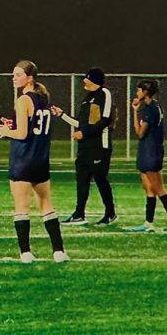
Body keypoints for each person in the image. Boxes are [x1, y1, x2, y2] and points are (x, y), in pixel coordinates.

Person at [0, 59, 69, 263]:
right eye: (13, 75)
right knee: (46, 204)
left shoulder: (23, 100)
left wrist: (5, 131)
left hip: (23, 159)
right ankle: (58, 251)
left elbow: (22, 133)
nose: (14, 78)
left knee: (21, 207)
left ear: (29, 78)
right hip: (41, 159)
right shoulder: (43, 99)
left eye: (18, 75)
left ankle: (25, 253)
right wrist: (13, 124)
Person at [52, 66, 116, 226]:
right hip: (85, 147)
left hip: (99, 146)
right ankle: (79, 214)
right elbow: (81, 124)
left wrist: (84, 133)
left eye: (86, 79)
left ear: (93, 80)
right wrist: (62, 115)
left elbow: (105, 120)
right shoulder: (87, 98)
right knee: (82, 180)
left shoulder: (104, 94)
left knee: (100, 179)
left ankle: (110, 214)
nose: (84, 82)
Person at [122, 78, 167, 234]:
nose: (136, 93)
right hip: (148, 150)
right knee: (148, 188)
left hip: (151, 152)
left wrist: (135, 113)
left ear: (145, 92)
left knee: (158, 188)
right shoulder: (152, 107)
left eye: (138, 90)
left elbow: (140, 132)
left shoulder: (151, 109)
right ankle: (148, 223)